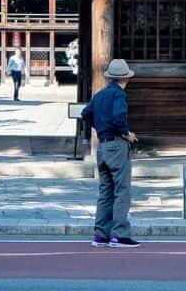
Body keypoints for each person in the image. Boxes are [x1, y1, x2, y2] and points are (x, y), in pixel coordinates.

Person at [79, 58, 141, 248]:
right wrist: (127, 134)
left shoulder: (100, 95)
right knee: (122, 190)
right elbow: (118, 117)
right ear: (126, 78)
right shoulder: (119, 95)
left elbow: (85, 113)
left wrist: (98, 128)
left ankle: (100, 234)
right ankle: (119, 234)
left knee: (105, 191)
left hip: (102, 146)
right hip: (117, 144)